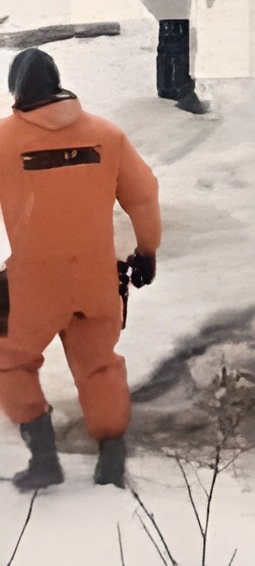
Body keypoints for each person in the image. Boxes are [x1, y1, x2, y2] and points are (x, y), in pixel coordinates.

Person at [0, 48, 161, 492]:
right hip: (96, 278)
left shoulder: (4, 140)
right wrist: (146, 251)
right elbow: (143, 196)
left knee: (9, 361)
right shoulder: (106, 135)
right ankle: (111, 460)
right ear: (58, 86)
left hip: (32, 282)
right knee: (99, 365)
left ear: (16, 90)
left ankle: (44, 458)